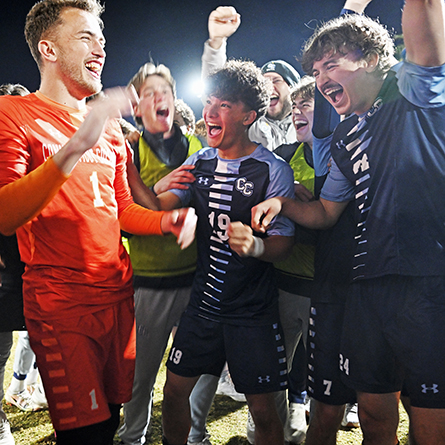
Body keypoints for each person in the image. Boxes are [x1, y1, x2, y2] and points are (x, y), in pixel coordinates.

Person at [0, 1, 194, 444]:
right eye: (86, 37)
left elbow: (121, 209)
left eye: (102, 39)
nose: (100, 48)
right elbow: (6, 215)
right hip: (61, 304)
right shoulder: (13, 113)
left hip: (118, 296)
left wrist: (168, 221)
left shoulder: (107, 129)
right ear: (48, 48)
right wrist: (74, 146)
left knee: (108, 423)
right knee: (83, 435)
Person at [252, 0, 445, 443]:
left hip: (429, 284)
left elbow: (427, 22)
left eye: (331, 66)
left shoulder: (413, 90)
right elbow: (325, 211)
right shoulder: (344, 134)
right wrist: (281, 203)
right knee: (375, 416)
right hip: (365, 287)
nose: (320, 81)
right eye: (316, 72)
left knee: (431, 425)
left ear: (373, 60)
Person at [158, 59, 296, 445]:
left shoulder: (273, 170)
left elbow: (284, 244)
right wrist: (150, 184)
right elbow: (157, 207)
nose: (210, 112)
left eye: (224, 105)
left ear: (249, 115)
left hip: (251, 311)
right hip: (202, 306)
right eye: (209, 102)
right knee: (172, 393)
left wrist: (256, 245)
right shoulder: (198, 161)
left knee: (265, 409)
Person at [118, 62, 210, 445]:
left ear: (175, 99)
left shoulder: (196, 147)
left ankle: (195, 434)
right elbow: (123, 220)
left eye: (165, 92)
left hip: (193, 279)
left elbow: (191, 206)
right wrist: (158, 191)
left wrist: (153, 194)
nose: (159, 99)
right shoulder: (126, 151)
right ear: (136, 107)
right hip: (149, 283)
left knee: (201, 369)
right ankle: (132, 436)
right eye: (149, 93)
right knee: (141, 374)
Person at [272, 75, 317, 444]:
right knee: (276, 368)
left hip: (326, 286)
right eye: (296, 106)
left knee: (326, 375)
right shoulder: (284, 157)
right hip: (283, 282)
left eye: (308, 105)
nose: (297, 112)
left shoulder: (345, 157)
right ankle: (277, 425)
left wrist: (306, 208)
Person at [201, 6, 300, 151]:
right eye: (266, 82)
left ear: (293, 89)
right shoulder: (248, 121)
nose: (270, 87)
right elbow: (216, 89)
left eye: (277, 80)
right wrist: (216, 41)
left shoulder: (308, 121)